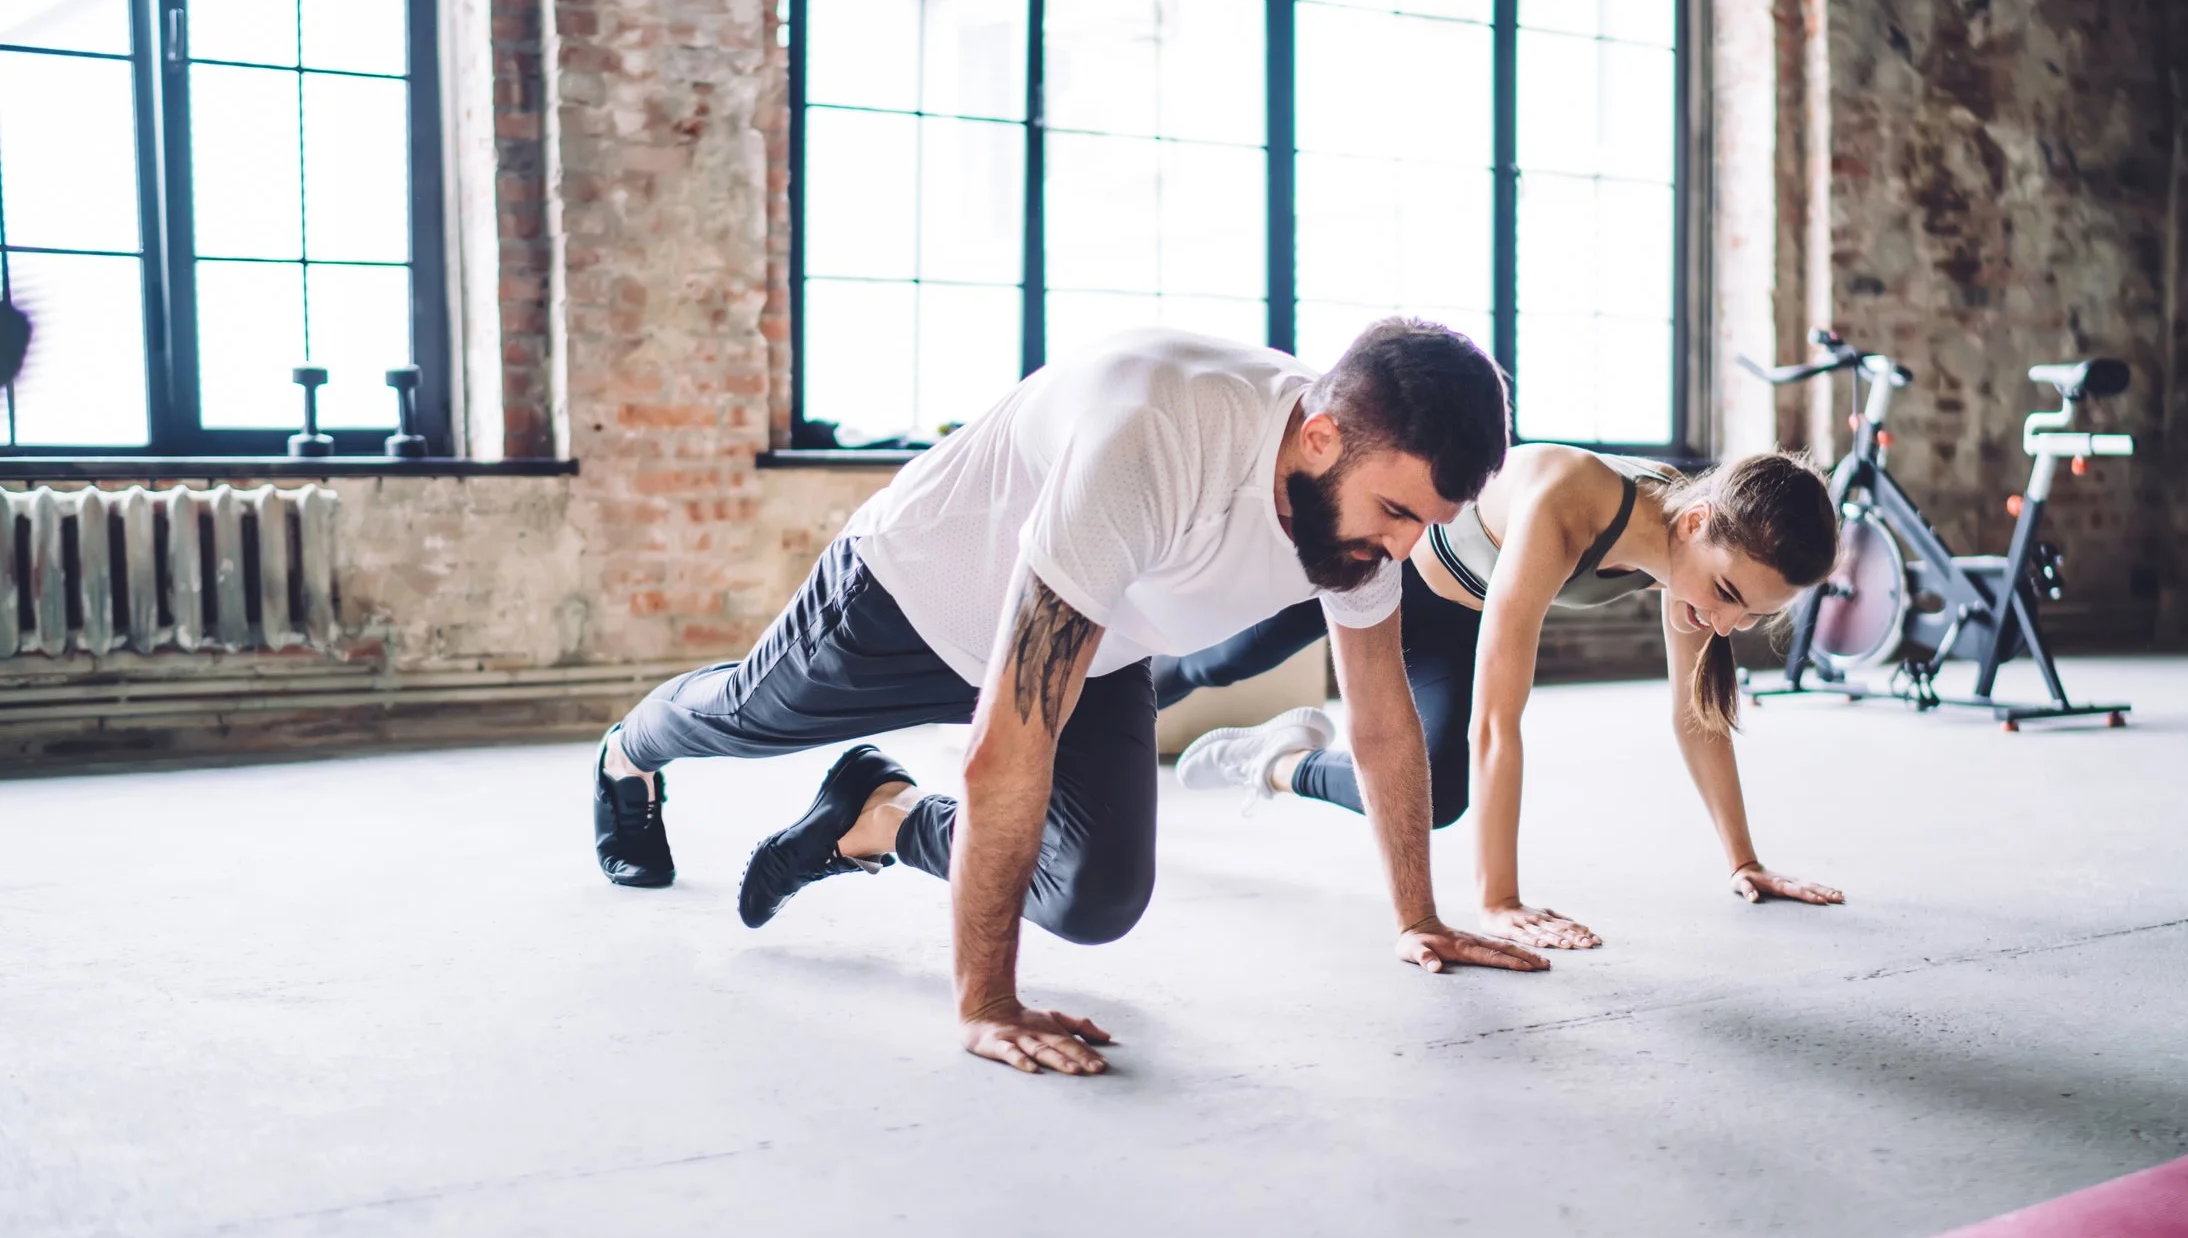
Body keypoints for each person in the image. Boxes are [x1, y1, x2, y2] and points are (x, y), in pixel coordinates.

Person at [591, 321, 1548, 1076]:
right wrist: (986, 1004)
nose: (1404, 548)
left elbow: (1381, 724)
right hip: (911, 595)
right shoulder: (1159, 435)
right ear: (1320, 436)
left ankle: (874, 818)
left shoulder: (1364, 516)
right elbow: (1008, 744)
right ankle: (626, 755)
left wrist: (1417, 918)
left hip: (1103, 637)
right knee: (739, 720)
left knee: (1093, 898)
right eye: (1397, 514)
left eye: (1429, 524)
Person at [1161, 445, 1844, 949]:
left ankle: (1276, 763)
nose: (1726, 622)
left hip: (1449, 622)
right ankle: (1097, 705)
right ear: (1697, 523)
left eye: (1751, 616)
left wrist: (1744, 861)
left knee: (1436, 796)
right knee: (1221, 661)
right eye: (1727, 595)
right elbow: (1497, 721)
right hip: (1374, 564)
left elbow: (1698, 720)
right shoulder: (1570, 496)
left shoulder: (1688, 555)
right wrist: (1500, 902)